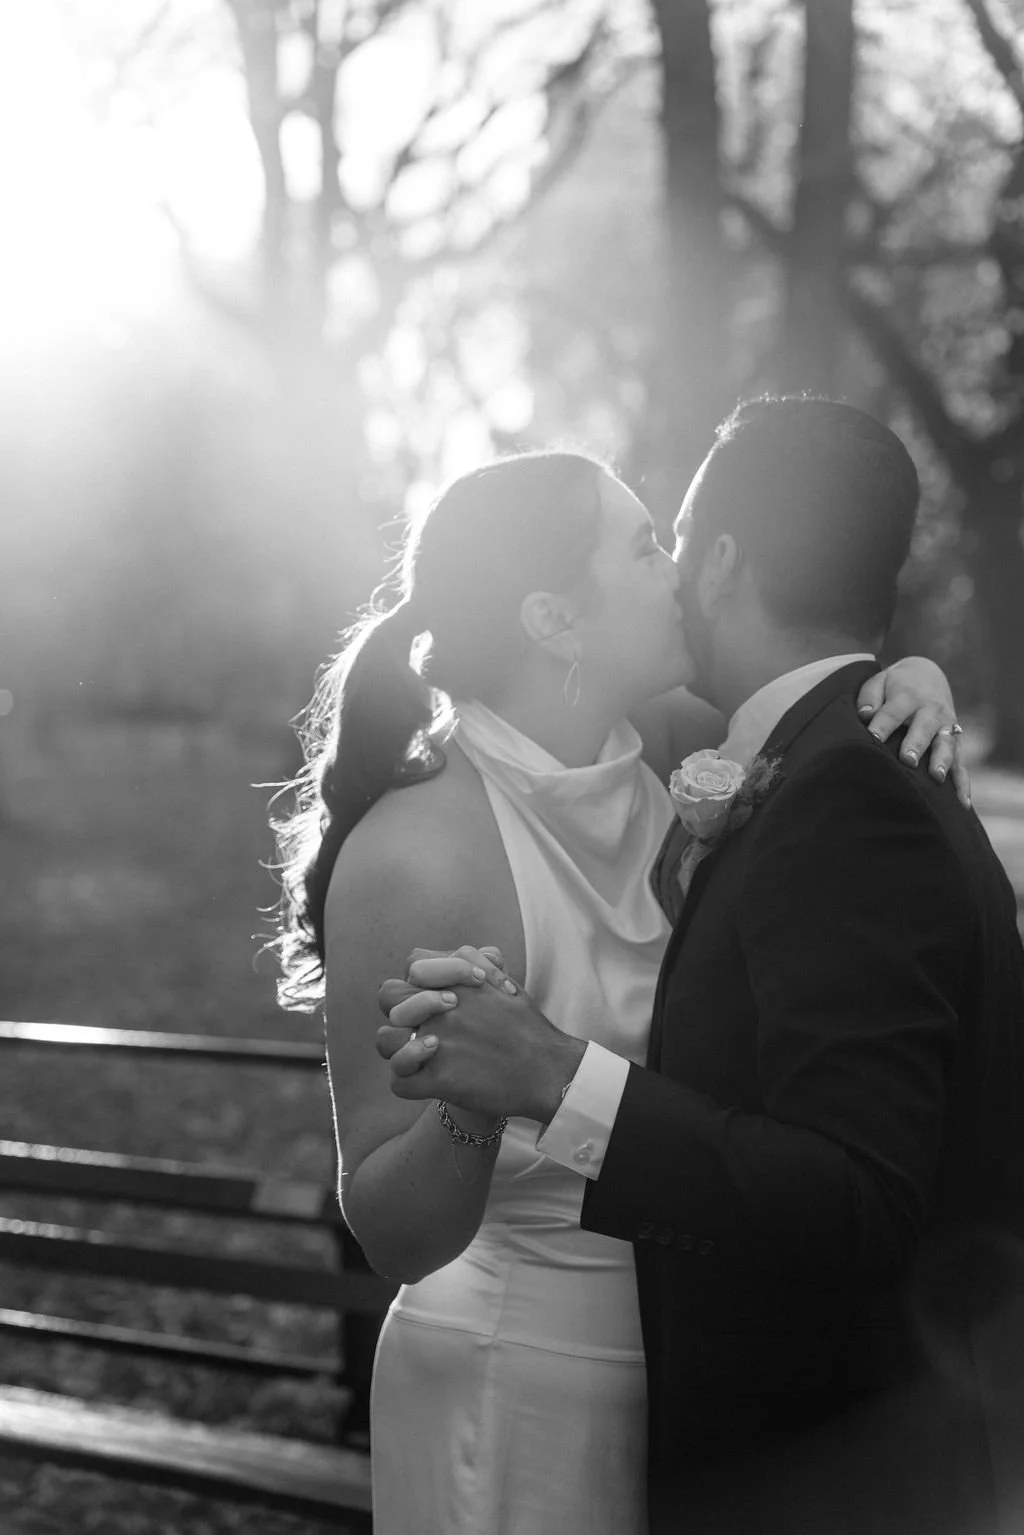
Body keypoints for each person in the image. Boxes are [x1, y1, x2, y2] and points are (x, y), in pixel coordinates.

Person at [272, 444, 965, 1535]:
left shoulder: (672, 750)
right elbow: (389, 1228)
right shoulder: (422, 851)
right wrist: (474, 1100)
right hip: (517, 1374)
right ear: (555, 618)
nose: (681, 567)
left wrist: (906, 678)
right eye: (646, 546)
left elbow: (809, 705)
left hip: (695, 1370)